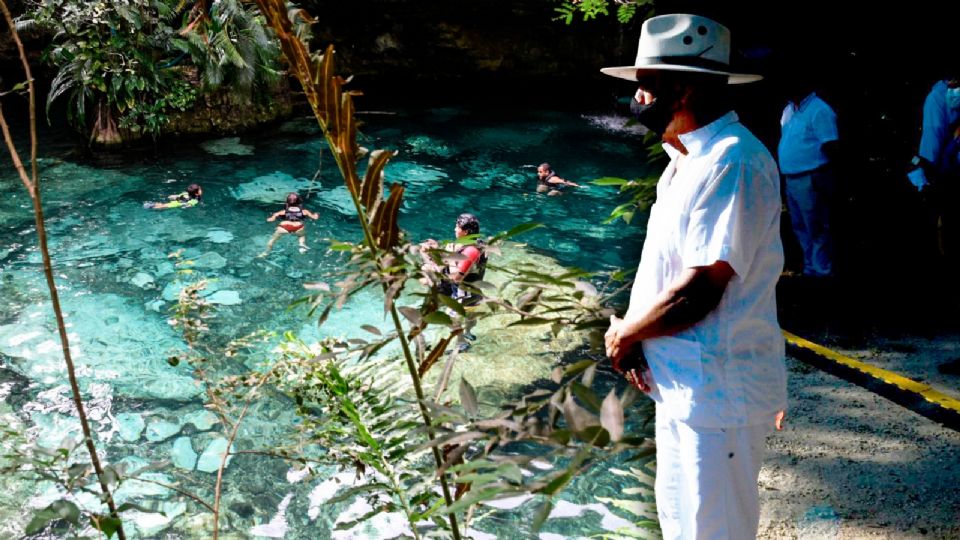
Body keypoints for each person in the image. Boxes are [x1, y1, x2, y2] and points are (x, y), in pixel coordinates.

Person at [600, 14, 786, 539]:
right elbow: (666, 270)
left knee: (714, 529)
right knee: (682, 525)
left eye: (646, 84)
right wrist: (638, 339)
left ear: (681, 87)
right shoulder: (684, 160)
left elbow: (701, 289)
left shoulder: (733, 162)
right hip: (684, 385)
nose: (637, 97)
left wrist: (625, 333)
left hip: (718, 389)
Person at [777, 80, 839, 278]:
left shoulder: (819, 110)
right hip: (792, 177)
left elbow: (832, 146)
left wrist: (826, 179)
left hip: (811, 177)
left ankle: (822, 272)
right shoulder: (789, 110)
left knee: (816, 227)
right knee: (800, 227)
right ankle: (811, 269)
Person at [419, 213, 487, 352]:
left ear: (466, 231)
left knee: (449, 319)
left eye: (457, 227)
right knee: (469, 317)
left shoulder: (471, 251)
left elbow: (457, 278)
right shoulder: (479, 244)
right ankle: (468, 333)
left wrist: (432, 275)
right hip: (474, 293)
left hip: (465, 295)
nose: (455, 229)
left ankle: (462, 343)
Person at [259, 193, 319, 257]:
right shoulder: (304, 211)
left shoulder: (284, 211)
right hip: (298, 227)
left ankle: (266, 252)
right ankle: (301, 246)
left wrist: (272, 218)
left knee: (272, 240)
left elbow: (275, 215)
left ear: (287, 202)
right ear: (299, 202)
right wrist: (316, 214)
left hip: (284, 227)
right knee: (301, 236)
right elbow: (315, 217)